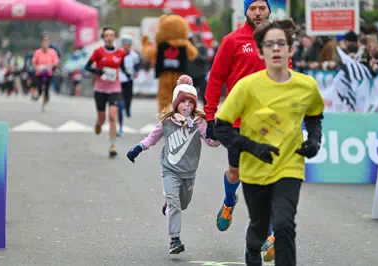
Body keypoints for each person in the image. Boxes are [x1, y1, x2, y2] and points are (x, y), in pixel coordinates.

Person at [214, 20, 324, 266]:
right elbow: (221, 127)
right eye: (269, 45)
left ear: (290, 50)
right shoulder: (247, 87)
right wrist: (253, 147)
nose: (276, 49)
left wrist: (315, 139)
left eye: (281, 44)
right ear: (261, 51)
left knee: (284, 225)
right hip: (254, 170)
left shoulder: (306, 86)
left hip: (289, 165)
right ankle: (252, 250)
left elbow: (315, 115)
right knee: (259, 230)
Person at [204, 0, 278, 259]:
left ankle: (270, 236)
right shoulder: (232, 41)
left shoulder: (277, 40)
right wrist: (211, 116)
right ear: (245, 12)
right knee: (235, 174)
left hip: (269, 124)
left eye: (262, 8)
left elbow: (288, 76)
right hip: (236, 122)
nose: (258, 13)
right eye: (252, 8)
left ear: (269, 10)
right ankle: (228, 202)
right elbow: (216, 78)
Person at [126, 75, 220, 255]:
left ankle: (168, 204)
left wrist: (218, 135)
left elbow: (210, 142)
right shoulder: (167, 121)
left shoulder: (198, 123)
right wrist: (138, 148)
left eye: (190, 103)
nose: (187, 106)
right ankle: (174, 240)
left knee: (182, 204)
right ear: (176, 102)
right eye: (183, 101)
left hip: (189, 172)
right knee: (175, 204)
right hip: (169, 170)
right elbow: (152, 138)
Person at [84, 27, 127, 158]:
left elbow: (122, 67)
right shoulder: (98, 52)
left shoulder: (120, 53)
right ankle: (98, 124)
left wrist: (129, 73)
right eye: (107, 35)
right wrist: (99, 72)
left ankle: (112, 145)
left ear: (114, 38)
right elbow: (87, 67)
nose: (109, 37)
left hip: (115, 88)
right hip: (100, 89)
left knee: (113, 116)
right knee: (102, 118)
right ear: (103, 38)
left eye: (111, 35)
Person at [117, 35, 141, 137]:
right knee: (119, 106)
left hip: (129, 81)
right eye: (125, 44)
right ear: (122, 45)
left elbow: (137, 65)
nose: (126, 46)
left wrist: (136, 72)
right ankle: (120, 128)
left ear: (130, 45)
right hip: (118, 82)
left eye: (128, 45)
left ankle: (128, 109)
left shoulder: (134, 55)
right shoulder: (118, 54)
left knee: (128, 99)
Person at [32, 35, 59, 107]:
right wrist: (36, 67)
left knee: (47, 87)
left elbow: (56, 61)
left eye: (46, 42)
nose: (45, 44)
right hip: (39, 72)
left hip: (49, 72)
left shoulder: (52, 52)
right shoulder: (38, 52)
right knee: (39, 86)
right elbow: (34, 61)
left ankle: (46, 98)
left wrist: (52, 66)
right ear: (42, 43)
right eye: (44, 42)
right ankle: (39, 94)